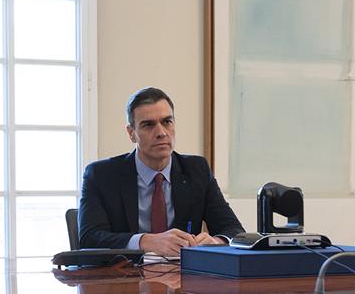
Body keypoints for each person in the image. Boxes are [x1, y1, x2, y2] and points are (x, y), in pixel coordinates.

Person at [78, 86, 244, 256]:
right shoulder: (101, 175)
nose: (161, 133)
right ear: (131, 133)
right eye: (148, 125)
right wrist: (145, 241)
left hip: (182, 276)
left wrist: (216, 242)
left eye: (167, 122)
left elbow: (234, 230)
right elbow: (89, 238)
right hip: (125, 276)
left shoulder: (196, 170)